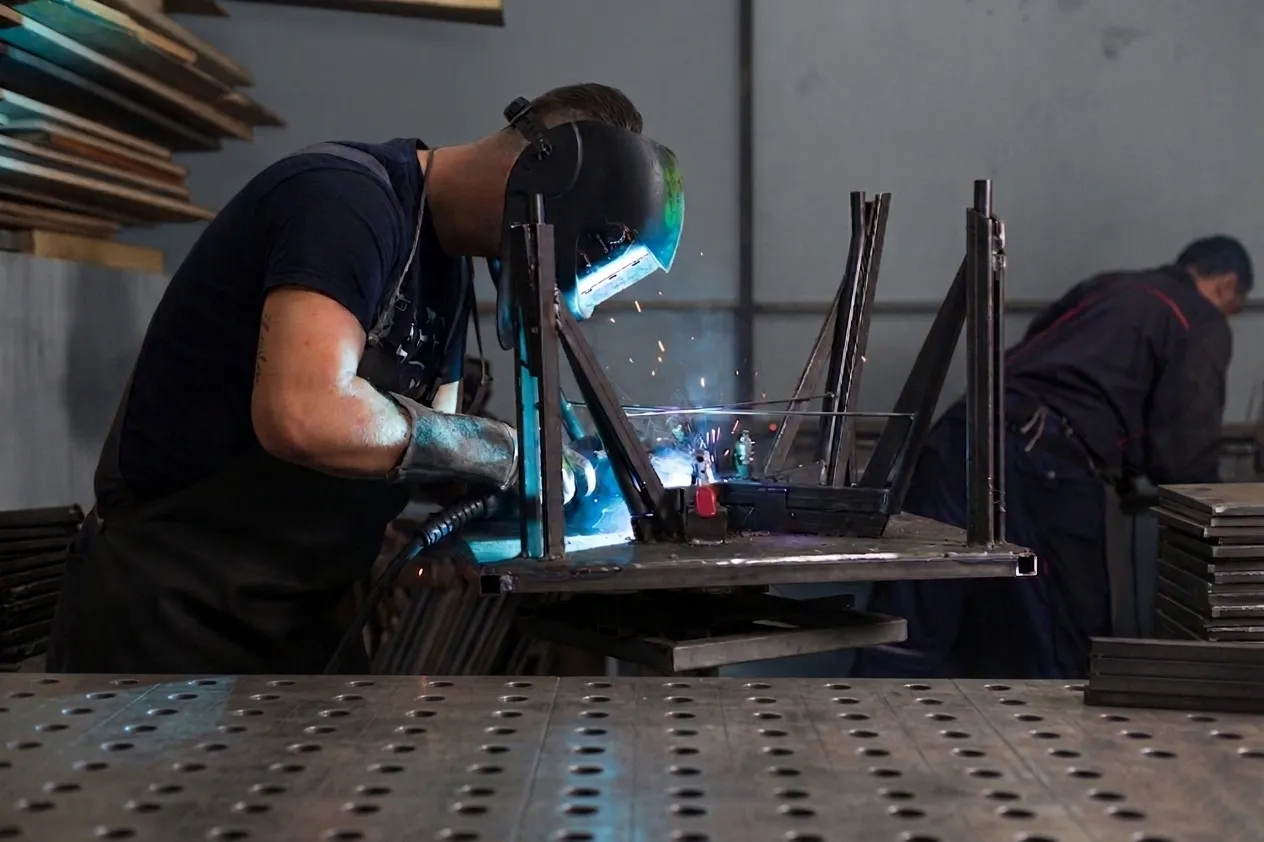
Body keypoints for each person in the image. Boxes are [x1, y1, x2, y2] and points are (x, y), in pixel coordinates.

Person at [46, 83, 659, 674]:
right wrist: (502, 449)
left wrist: (565, 472)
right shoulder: (344, 202)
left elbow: (428, 448)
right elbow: (302, 414)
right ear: (541, 178)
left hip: (299, 618)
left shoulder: (445, 267)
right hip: (171, 612)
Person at [853, 235, 1251, 679]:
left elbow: (1039, 354)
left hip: (959, 434)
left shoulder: (1109, 286)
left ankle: (852, 735)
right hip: (1045, 465)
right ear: (1226, 286)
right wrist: (1223, 522)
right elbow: (1186, 444)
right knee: (1064, 639)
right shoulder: (1197, 317)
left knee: (913, 621)